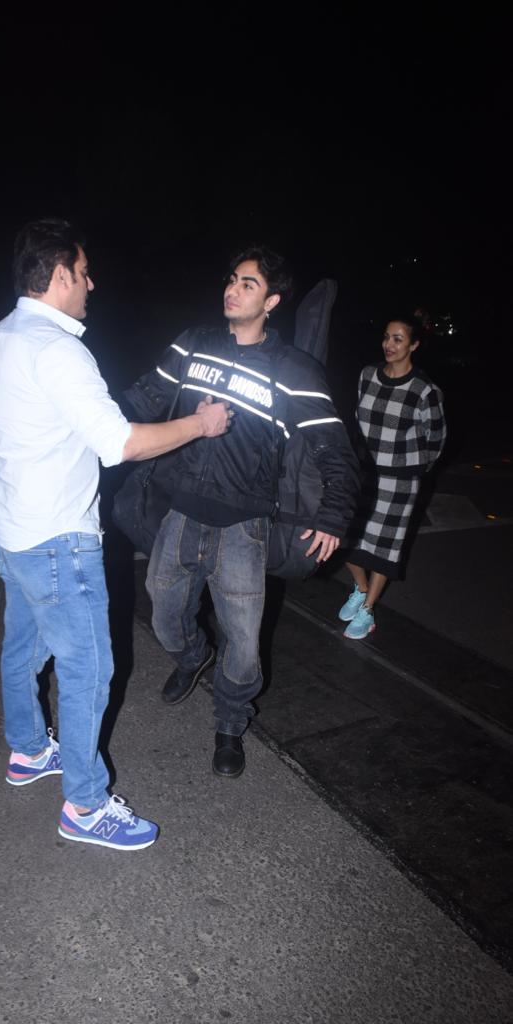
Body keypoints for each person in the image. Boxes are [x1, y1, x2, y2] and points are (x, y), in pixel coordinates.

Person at [0, 218, 231, 852]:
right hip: (58, 539)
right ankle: (86, 806)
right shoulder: (58, 349)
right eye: (84, 272)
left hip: (10, 529)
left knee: (22, 647)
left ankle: (30, 749)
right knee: (89, 669)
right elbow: (120, 444)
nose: (92, 283)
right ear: (60, 275)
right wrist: (199, 424)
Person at [123, 246, 359, 778]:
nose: (233, 289)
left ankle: (230, 721)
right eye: (232, 279)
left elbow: (333, 450)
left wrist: (334, 516)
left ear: (271, 300)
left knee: (246, 642)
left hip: (243, 526)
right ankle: (191, 656)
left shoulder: (293, 370)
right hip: (180, 512)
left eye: (248, 284)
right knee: (163, 611)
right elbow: (142, 400)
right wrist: (90, 425)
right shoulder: (193, 344)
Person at [339, 316, 446, 639]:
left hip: (399, 481)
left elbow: (436, 438)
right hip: (364, 473)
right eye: (387, 337)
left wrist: (411, 468)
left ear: (413, 345)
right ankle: (359, 588)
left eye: (398, 339)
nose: (389, 344)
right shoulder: (367, 375)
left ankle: (368, 610)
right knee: (343, 539)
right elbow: (358, 418)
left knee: (383, 549)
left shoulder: (424, 390)